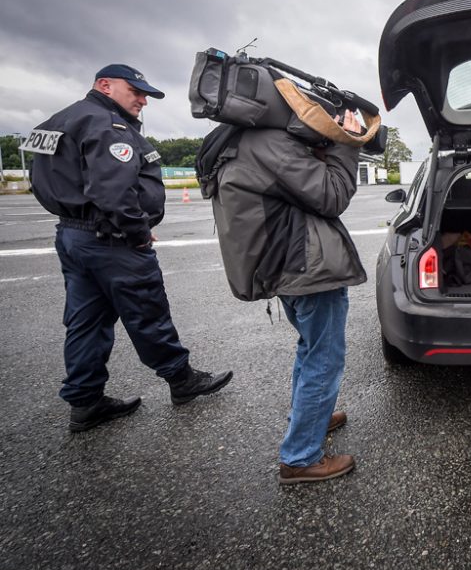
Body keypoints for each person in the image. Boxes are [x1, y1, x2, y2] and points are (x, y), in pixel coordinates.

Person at [28, 64, 233, 432]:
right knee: (147, 309)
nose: (142, 100)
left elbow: (41, 180)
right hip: (111, 240)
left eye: (146, 94)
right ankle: (181, 380)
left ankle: (85, 401)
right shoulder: (108, 124)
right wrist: (135, 231)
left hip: (74, 235)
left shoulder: (56, 121)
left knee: (85, 321)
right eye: (135, 91)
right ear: (104, 85)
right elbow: (114, 190)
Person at [198, 110, 367, 485]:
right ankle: (301, 457)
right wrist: (346, 144)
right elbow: (332, 195)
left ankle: (311, 423)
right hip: (304, 266)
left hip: (285, 264)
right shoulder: (269, 143)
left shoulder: (234, 139)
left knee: (310, 349)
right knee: (323, 357)